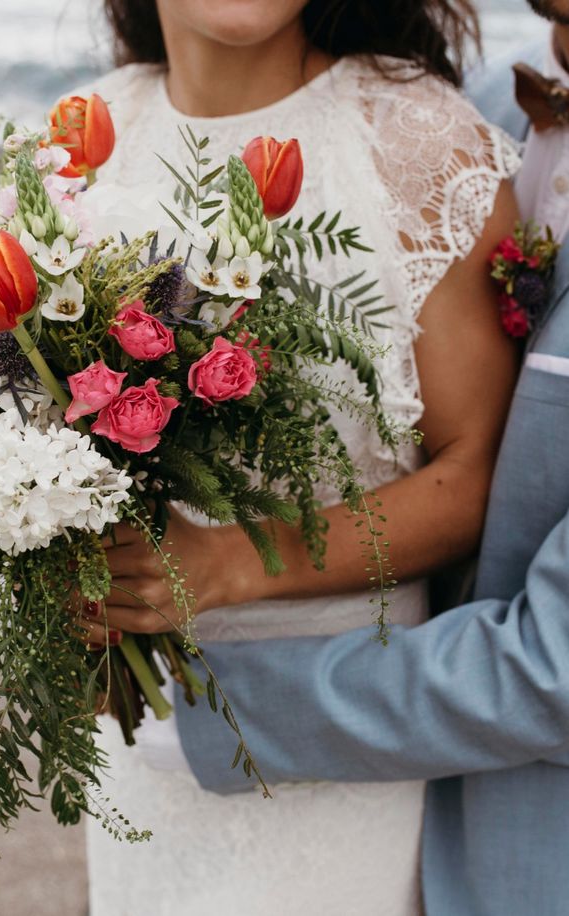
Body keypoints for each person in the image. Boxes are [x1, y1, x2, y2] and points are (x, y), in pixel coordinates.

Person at [93, 3, 569, 915]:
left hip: (357, 719)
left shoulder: (422, 136)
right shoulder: (82, 139)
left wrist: (227, 562)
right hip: (133, 741)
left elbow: (478, 475)